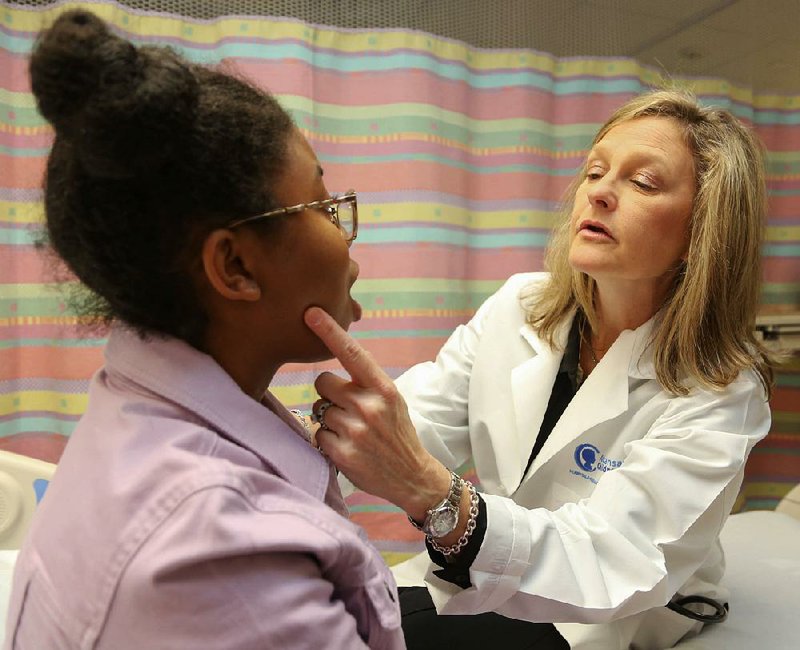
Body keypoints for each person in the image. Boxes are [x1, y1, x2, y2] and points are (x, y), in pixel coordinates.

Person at [301, 89, 774, 649]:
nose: (598, 193)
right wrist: (292, 440)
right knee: (325, 614)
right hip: (499, 569)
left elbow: (617, 558)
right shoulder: (521, 305)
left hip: (614, 606)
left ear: (704, 234)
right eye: (595, 172)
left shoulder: (723, 391)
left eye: (642, 182)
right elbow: (418, 421)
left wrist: (434, 494)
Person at [5, 9, 403, 649]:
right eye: (326, 207)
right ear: (236, 266)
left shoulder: (141, 413)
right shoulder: (221, 556)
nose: (347, 232)